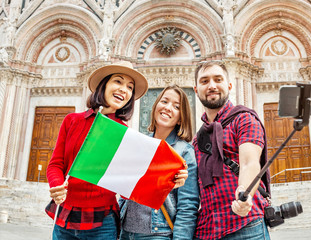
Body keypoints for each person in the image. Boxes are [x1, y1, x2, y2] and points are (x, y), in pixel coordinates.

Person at [45, 61, 187, 240]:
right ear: (103, 85)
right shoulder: (72, 120)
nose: (124, 90)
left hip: (103, 223)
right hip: (65, 217)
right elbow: (56, 164)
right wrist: (57, 185)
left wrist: (171, 180)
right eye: (118, 82)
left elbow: (135, 181)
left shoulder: (125, 135)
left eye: (130, 87)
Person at [192, 60, 270, 240]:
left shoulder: (244, 119)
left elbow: (249, 162)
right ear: (196, 89)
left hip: (245, 226)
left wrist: (245, 194)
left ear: (229, 85)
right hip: (206, 231)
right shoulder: (197, 140)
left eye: (217, 79)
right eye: (204, 81)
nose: (212, 86)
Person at [119, 85, 200, 240]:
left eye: (176, 106)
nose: (168, 108)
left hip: (158, 234)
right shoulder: (139, 142)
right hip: (125, 232)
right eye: (164, 101)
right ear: (156, 105)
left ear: (181, 117)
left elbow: (188, 205)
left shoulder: (184, 151)